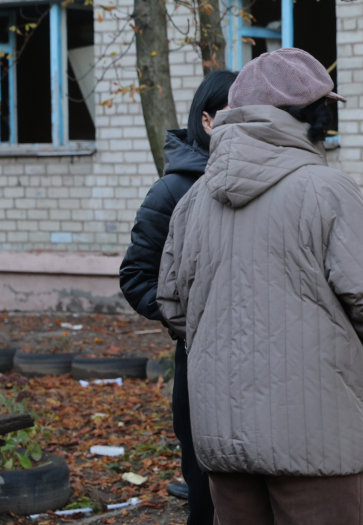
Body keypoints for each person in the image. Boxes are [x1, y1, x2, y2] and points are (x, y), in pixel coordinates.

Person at [156, 48, 363, 525]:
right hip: (318, 434)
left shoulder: (192, 201)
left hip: (221, 437)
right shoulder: (326, 189)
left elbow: (173, 306)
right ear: (304, 115)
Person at [119, 69, 237, 525]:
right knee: (208, 494)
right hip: (202, 365)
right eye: (233, 113)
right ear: (207, 121)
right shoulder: (173, 189)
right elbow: (136, 276)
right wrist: (189, 321)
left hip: (262, 366)